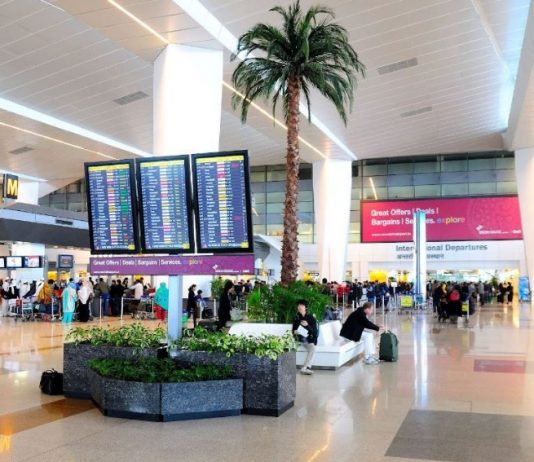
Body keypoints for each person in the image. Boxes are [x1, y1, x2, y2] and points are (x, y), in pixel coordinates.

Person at [292, 300, 318, 375]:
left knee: (313, 348)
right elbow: (293, 330)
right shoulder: (296, 317)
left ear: (305, 307)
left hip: (308, 340)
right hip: (298, 339)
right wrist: (295, 332)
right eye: (299, 305)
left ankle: (305, 368)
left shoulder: (311, 318)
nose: (299, 307)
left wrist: (307, 325)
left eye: (302, 306)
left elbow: (315, 332)